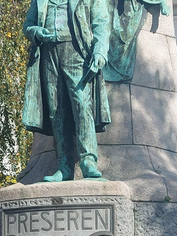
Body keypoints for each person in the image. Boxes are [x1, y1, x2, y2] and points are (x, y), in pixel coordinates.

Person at [22, 0, 110, 182]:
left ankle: (88, 161)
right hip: (48, 52)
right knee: (56, 111)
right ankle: (64, 166)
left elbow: (101, 21)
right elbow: (28, 25)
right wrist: (35, 32)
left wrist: (100, 51)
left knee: (82, 105)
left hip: (76, 49)